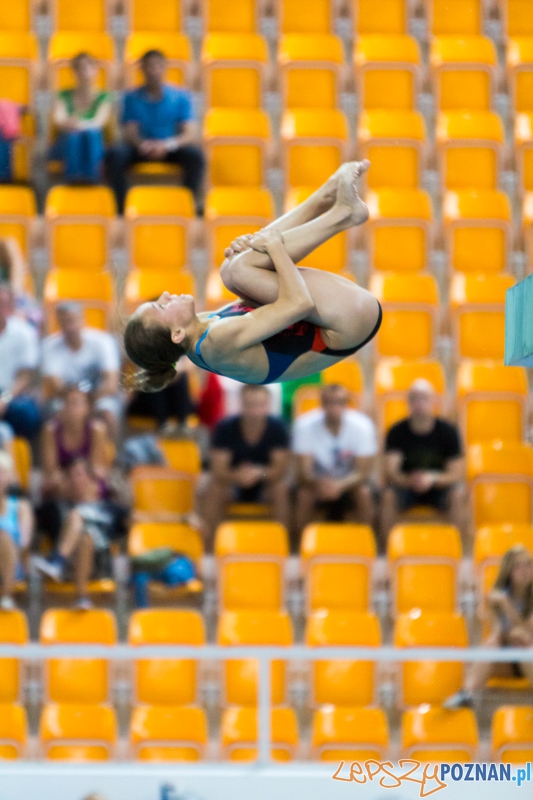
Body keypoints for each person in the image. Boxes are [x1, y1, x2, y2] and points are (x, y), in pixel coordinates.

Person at [123, 161, 382, 397]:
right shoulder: (215, 341)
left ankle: (325, 196)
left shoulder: (198, 331)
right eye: (161, 306)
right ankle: (344, 214)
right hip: (347, 323)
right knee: (240, 270)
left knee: (232, 271)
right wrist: (274, 249)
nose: (165, 296)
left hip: (331, 319)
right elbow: (299, 303)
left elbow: (257, 303)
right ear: (177, 334)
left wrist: (244, 253)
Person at [105, 49, 205, 214]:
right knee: (115, 155)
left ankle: (188, 205)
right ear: (142, 69)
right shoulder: (131, 97)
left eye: (158, 66)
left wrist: (167, 145)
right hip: (141, 147)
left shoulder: (181, 97)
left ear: (164, 68)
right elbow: (130, 131)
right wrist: (142, 144)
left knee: (195, 156)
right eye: (149, 66)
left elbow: (189, 133)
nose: (153, 71)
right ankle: (121, 208)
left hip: (170, 148)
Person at [197, 384, 291, 546]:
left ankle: (281, 544)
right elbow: (218, 470)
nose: (254, 411)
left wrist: (259, 473)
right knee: (212, 488)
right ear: (241, 404)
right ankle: (211, 545)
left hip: (265, 483)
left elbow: (279, 470)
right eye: (250, 405)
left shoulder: (278, 428)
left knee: (281, 490)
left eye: (259, 405)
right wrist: (238, 476)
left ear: (268, 405)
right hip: (232, 483)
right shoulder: (225, 427)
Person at [444, 545, 533, 709]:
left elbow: (528, 631)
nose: (525, 570)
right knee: (491, 644)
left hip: (528, 656)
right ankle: (467, 693)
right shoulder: (495, 599)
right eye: (518, 566)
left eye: (528, 564)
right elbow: (497, 632)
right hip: (507, 659)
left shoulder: (504, 600)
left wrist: (506, 604)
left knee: (523, 642)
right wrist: (509, 633)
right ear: (509, 570)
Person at [33, 459, 128, 609]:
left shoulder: (111, 509)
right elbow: (29, 520)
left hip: (99, 563)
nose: (74, 479)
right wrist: (53, 489)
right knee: (76, 520)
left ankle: (58, 563)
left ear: (94, 481)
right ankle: (81, 597)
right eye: (70, 476)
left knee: (85, 534)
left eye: (79, 474)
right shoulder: (56, 509)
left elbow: (134, 521)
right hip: (69, 566)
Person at [380, 379, 467, 543]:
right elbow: (391, 471)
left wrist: (432, 478)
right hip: (406, 486)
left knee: (459, 493)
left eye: (424, 398)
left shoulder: (448, 432)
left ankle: (456, 545)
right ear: (408, 402)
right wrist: (411, 480)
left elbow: (456, 473)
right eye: (414, 398)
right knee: (388, 495)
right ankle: (388, 546)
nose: (419, 403)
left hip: (438, 487)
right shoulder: (396, 431)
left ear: (434, 401)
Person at [292, 383, 378, 534]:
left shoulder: (363, 426)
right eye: (329, 402)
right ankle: (301, 542)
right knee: (304, 495)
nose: (334, 408)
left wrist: (339, 485)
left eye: (339, 402)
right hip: (317, 485)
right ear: (322, 404)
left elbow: (363, 473)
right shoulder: (304, 426)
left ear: (346, 404)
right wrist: (321, 484)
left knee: (364, 492)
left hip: (350, 485)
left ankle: (367, 540)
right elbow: (304, 473)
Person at [41, 302, 121, 438]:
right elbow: (55, 386)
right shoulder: (49, 346)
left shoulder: (103, 342)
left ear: (82, 319)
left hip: (98, 397)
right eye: (64, 322)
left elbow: (111, 384)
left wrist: (86, 402)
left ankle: (111, 450)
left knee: (108, 413)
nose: (69, 327)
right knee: (55, 415)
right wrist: (76, 403)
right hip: (66, 399)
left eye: (72, 321)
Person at [48, 52, 113, 183]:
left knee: (91, 134)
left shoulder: (104, 97)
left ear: (95, 71)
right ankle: (74, 180)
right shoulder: (63, 95)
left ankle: (91, 179)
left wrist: (76, 124)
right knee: (74, 136)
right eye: (80, 68)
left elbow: (99, 122)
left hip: (92, 142)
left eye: (88, 67)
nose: (84, 72)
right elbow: (58, 119)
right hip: (65, 144)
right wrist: (70, 124)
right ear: (74, 72)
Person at [40, 385, 111, 500]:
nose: (70, 407)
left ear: (87, 407)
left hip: (87, 479)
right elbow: (51, 470)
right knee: (52, 484)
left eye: (75, 403)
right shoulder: (51, 430)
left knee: (91, 487)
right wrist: (72, 478)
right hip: (62, 481)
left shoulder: (97, 430)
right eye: (66, 402)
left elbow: (95, 467)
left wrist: (80, 478)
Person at [0, 283, 40, 439]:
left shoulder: (24, 333)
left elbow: (25, 376)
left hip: (12, 396)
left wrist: (4, 399)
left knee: (27, 414)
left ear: (11, 306)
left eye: (4, 304)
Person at [0, 451, 34, 610]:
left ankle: (7, 597)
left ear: (9, 477)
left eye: (1, 472)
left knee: (3, 537)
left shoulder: (21, 507)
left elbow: (23, 544)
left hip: (13, 563)